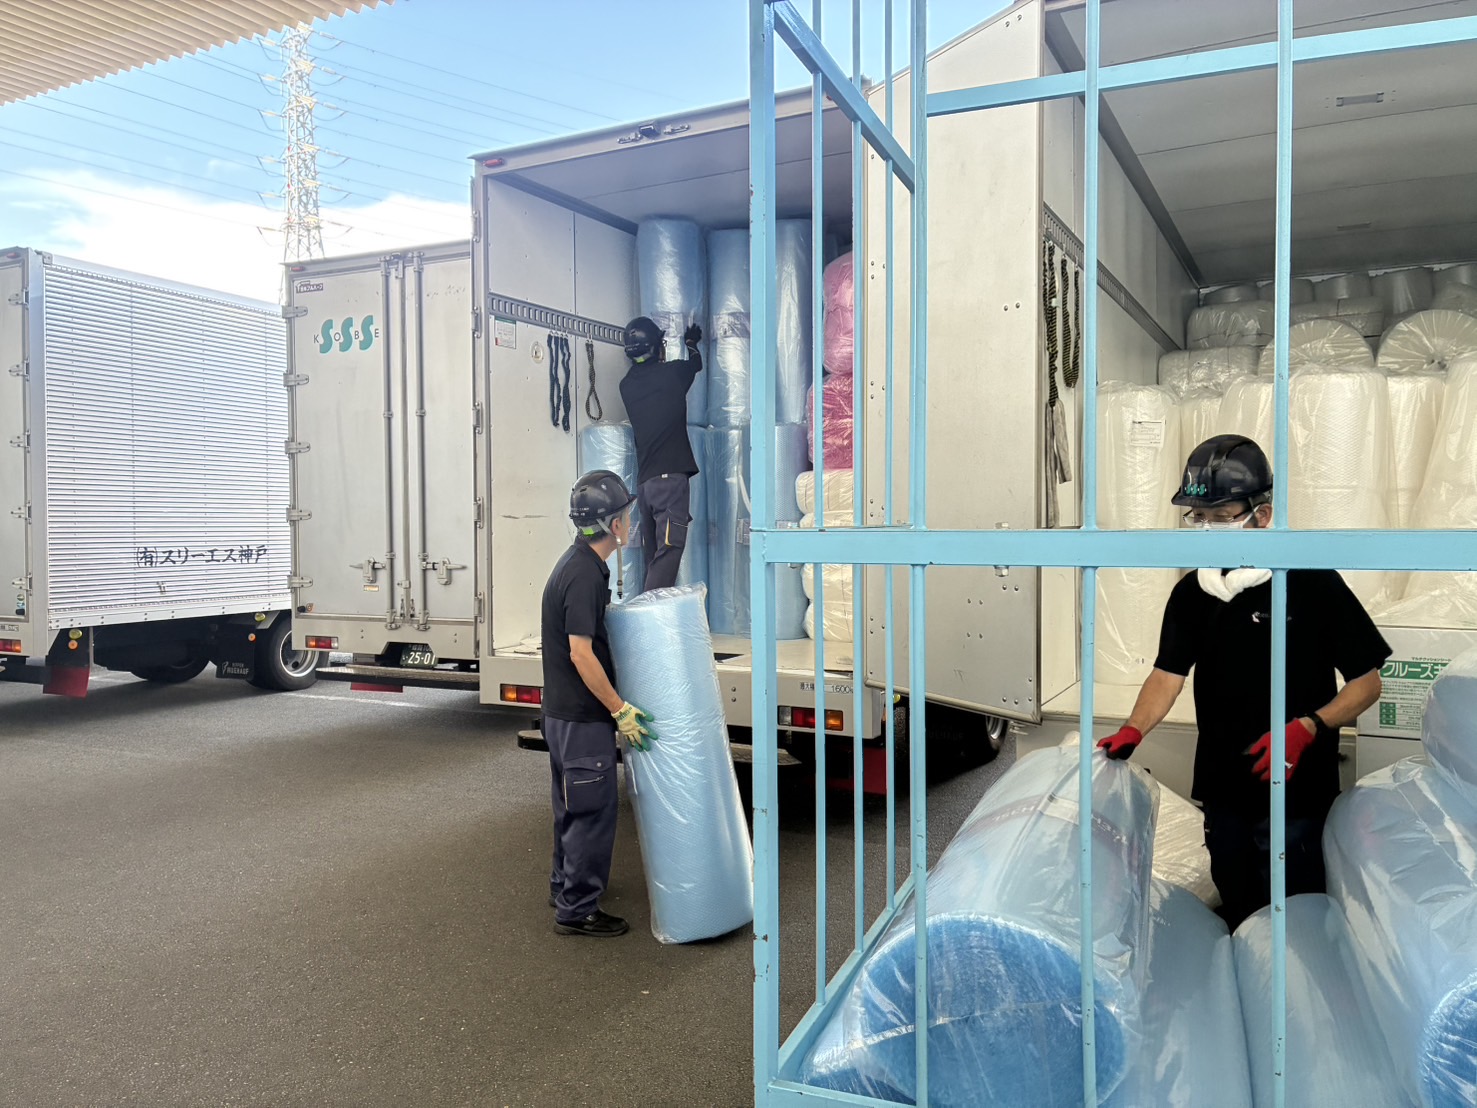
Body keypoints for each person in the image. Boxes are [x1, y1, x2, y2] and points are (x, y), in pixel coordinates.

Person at [1096, 434, 1390, 928]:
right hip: (1224, 790)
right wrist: (1134, 728)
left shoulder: (1312, 583)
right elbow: (1167, 675)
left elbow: (1368, 682)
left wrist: (1310, 727)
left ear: (1263, 514)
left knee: (1296, 918)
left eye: (1222, 515)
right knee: (1238, 908)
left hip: (1297, 792)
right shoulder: (1193, 593)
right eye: (1198, 517)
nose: (1208, 528)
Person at [540, 469, 657, 938]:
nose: (630, 522)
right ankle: (577, 909)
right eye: (626, 514)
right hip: (582, 719)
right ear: (613, 524)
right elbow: (580, 653)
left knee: (571, 807)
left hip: (562, 714)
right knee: (591, 811)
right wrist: (618, 708)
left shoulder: (578, 563)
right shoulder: (585, 574)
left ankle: (563, 887)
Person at [618, 315, 702, 592]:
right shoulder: (673, 374)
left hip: (646, 486)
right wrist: (691, 343)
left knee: (653, 558)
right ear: (656, 347)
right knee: (668, 553)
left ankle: (653, 611)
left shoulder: (626, 385)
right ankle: (649, 612)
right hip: (670, 483)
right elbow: (696, 364)